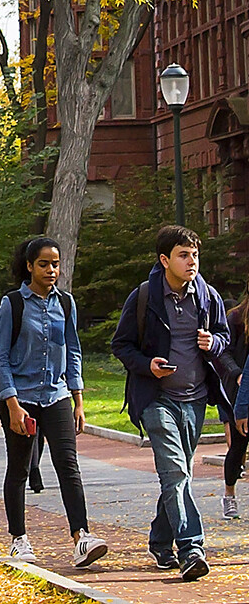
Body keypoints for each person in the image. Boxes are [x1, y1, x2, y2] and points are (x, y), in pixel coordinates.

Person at [110, 224, 231, 581]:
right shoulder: (145, 296)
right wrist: (147, 365)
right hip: (156, 399)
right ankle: (192, 549)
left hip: (194, 399)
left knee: (177, 476)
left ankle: (161, 542)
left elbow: (225, 336)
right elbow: (122, 345)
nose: (191, 261)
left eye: (194, 254)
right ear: (165, 260)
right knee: (176, 472)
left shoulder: (207, 296)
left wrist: (215, 343)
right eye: (183, 255)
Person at [0, 236, 107, 569]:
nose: (51, 270)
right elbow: (0, 359)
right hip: (21, 398)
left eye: (55, 263)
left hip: (56, 395)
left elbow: (73, 352)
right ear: (30, 266)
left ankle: (81, 537)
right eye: (44, 264)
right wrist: (12, 404)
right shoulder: (11, 304)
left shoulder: (65, 303)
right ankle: (19, 539)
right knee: (20, 467)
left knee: (68, 465)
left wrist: (78, 400)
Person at [221, 298, 249, 519]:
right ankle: (229, 494)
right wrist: (236, 373)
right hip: (239, 390)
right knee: (238, 446)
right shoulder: (236, 318)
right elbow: (223, 352)